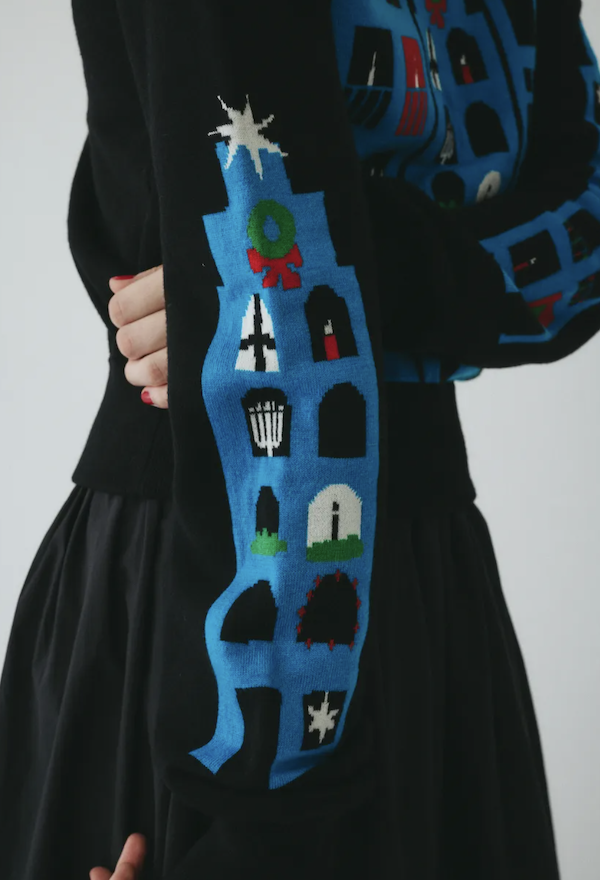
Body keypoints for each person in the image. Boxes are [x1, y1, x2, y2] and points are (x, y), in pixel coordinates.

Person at [1, 0, 600, 877]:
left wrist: (287, 282)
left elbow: (587, 238)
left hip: (378, 583)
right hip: (225, 583)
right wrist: (249, 821)